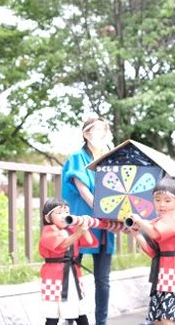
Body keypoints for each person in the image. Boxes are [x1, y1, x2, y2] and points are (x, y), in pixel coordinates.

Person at [61, 117, 114, 325]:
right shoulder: (77, 158)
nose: (102, 134)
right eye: (97, 130)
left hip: (103, 226)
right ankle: (70, 319)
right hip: (80, 223)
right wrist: (104, 210)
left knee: (103, 279)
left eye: (104, 131)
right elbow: (83, 189)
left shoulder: (109, 160)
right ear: (86, 134)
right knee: (72, 272)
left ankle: (102, 322)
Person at [128, 177, 175, 325]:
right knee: (158, 320)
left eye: (167, 200)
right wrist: (136, 233)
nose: (161, 204)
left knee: (166, 319)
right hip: (162, 273)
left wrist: (140, 221)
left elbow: (155, 234)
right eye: (157, 199)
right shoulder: (160, 220)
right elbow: (152, 252)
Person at [39, 198, 98, 325]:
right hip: (54, 276)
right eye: (59, 213)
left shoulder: (70, 230)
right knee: (52, 315)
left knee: (80, 312)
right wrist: (79, 232)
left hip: (73, 274)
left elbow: (88, 242)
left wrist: (83, 226)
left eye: (66, 212)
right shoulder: (48, 231)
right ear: (48, 218)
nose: (64, 216)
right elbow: (63, 245)